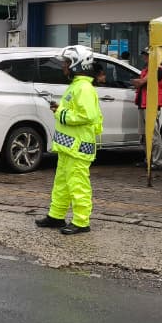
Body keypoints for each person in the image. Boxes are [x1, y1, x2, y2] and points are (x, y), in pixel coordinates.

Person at [35, 45, 103, 235]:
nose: (64, 66)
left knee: (78, 184)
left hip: (77, 147)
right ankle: (56, 216)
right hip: (70, 146)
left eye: (67, 62)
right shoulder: (77, 86)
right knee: (62, 184)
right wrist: (60, 109)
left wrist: (61, 113)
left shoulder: (83, 87)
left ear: (77, 64)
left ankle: (81, 222)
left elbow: (87, 116)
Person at [132, 47, 162, 171]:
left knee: (153, 135)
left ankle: (159, 162)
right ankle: (149, 160)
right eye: (144, 55)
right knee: (144, 136)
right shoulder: (146, 69)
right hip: (143, 104)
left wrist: (139, 81)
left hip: (151, 105)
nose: (144, 57)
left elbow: (141, 82)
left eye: (146, 55)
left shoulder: (158, 69)